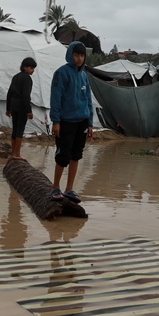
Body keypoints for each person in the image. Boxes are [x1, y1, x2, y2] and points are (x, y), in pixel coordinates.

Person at [49, 41, 92, 203]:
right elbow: (56, 99)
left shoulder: (84, 76)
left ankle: (69, 189)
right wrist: (56, 121)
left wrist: (90, 124)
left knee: (76, 155)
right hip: (66, 121)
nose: (79, 59)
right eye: (76, 55)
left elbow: (88, 100)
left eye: (82, 55)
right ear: (70, 55)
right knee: (63, 156)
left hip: (82, 121)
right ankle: (55, 188)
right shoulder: (62, 73)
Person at [5, 56, 36, 161]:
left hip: (14, 105)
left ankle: (13, 152)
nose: (33, 71)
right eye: (31, 68)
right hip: (22, 106)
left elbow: (9, 93)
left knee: (15, 128)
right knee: (20, 130)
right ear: (25, 67)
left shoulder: (15, 77)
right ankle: (17, 154)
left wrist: (8, 108)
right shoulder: (27, 79)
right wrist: (29, 110)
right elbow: (26, 95)